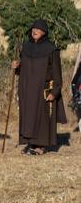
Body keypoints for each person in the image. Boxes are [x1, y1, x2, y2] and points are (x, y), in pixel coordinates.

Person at [11, 19, 68, 155]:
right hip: (27, 89)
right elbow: (23, 69)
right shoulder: (26, 47)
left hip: (43, 89)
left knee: (42, 118)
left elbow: (57, 73)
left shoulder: (51, 50)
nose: (34, 31)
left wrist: (55, 92)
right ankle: (30, 143)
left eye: (38, 29)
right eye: (33, 29)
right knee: (28, 117)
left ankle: (41, 146)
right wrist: (17, 67)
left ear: (44, 32)